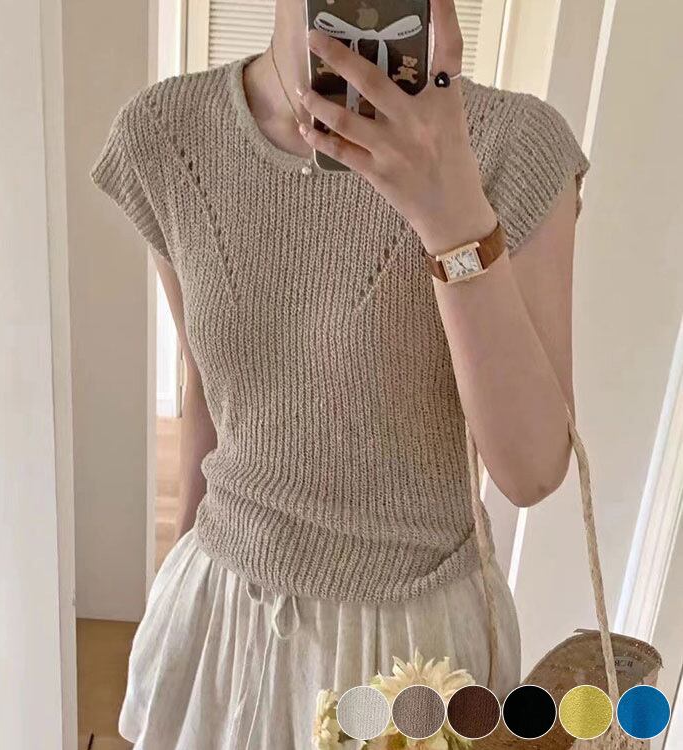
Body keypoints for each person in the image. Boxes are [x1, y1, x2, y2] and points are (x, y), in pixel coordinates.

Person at [90, 0, 589, 746]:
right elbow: (208, 394)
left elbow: (532, 470)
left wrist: (452, 213)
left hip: (415, 652)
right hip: (218, 617)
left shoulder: (516, 145)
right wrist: (175, 613)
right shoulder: (167, 132)